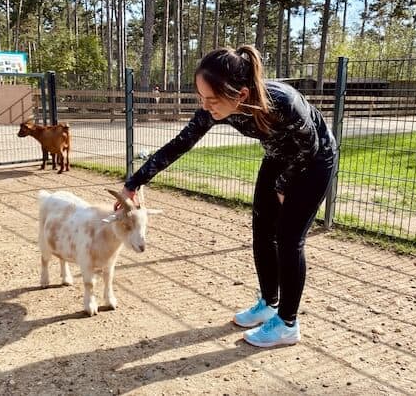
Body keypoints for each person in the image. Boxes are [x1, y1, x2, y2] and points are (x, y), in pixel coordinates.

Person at [117, 45, 337, 348]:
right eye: (201, 98)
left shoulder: (283, 103)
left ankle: (288, 323)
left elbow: (309, 148)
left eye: (212, 99)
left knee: (288, 239)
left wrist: (284, 186)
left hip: (313, 161)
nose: (206, 106)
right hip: (278, 155)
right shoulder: (217, 108)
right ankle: (269, 303)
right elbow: (180, 143)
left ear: (241, 94)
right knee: (262, 232)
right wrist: (135, 182)